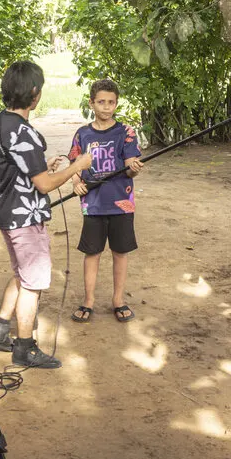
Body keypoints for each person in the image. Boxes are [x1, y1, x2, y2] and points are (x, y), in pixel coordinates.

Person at [0, 61, 92, 369]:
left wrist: (44, 165)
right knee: (32, 284)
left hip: (6, 212)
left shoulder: (1, 121)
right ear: (35, 94)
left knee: (22, 274)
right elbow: (43, 184)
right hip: (25, 219)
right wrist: (76, 167)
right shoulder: (24, 131)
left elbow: (21, 169)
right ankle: (24, 347)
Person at [67, 79, 143, 324]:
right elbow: (75, 166)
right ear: (92, 103)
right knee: (92, 253)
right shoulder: (83, 134)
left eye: (111, 102)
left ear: (116, 103)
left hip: (121, 203)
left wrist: (133, 168)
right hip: (93, 204)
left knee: (120, 252)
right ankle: (88, 301)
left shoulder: (126, 132)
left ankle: (118, 300)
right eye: (101, 102)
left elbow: (130, 169)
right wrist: (75, 182)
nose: (106, 107)